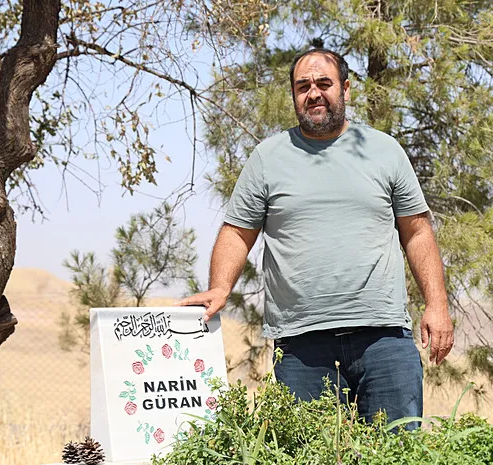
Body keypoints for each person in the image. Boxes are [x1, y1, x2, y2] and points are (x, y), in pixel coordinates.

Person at [177, 47, 453, 427]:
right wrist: (220, 286)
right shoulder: (267, 158)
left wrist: (436, 304)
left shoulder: (384, 151)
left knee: (398, 462)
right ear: (293, 94)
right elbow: (238, 232)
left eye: (324, 83)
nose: (314, 93)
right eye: (303, 86)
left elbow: (417, 231)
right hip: (302, 346)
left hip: (384, 339)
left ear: (346, 89)